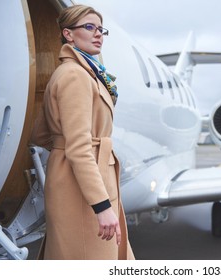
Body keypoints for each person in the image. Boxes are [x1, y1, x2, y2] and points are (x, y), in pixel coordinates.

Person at [31, 4, 134, 260]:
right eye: (89, 27)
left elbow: (41, 133)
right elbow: (78, 147)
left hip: (82, 178)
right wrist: (101, 206)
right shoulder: (75, 76)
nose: (98, 34)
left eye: (100, 29)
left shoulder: (87, 73)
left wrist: (60, 147)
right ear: (68, 34)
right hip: (82, 188)